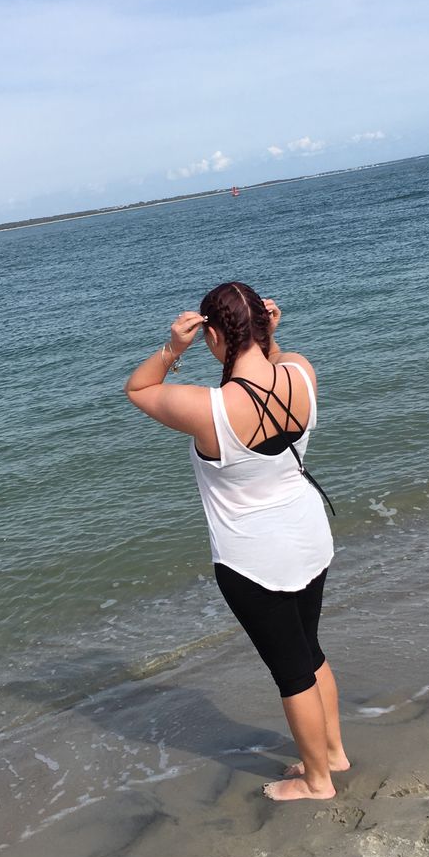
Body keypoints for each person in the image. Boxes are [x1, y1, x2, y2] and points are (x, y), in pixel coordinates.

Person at [124, 281, 349, 802]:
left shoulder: (209, 409)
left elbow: (139, 388)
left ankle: (317, 782)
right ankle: (333, 753)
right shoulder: (301, 372)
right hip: (309, 536)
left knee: (292, 673)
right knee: (311, 651)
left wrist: (172, 349)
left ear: (213, 336)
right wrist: (270, 337)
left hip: (253, 560)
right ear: (265, 326)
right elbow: (275, 363)